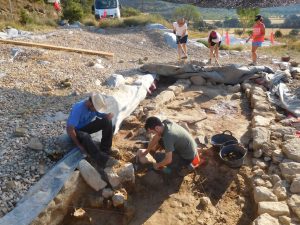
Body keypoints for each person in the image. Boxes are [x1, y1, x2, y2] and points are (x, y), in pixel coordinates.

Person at [66, 93, 116, 167]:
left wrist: (108, 115)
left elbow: (100, 115)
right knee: (86, 136)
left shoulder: (92, 107)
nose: (96, 110)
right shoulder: (78, 109)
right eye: (95, 108)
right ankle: (102, 160)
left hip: (85, 127)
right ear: (90, 103)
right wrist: (79, 145)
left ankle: (105, 150)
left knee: (107, 121)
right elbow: (70, 129)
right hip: (76, 131)